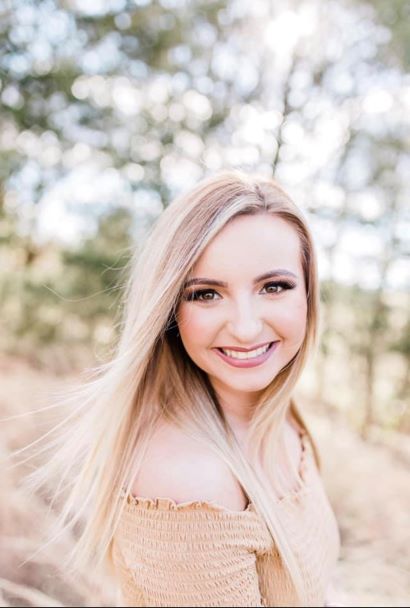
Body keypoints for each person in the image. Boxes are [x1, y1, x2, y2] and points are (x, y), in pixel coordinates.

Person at [22, 170, 342, 607]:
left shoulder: (279, 415)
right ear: (170, 310)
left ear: (307, 294)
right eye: (206, 294)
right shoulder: (187, 479)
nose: (246, 328)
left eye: (274, 286)